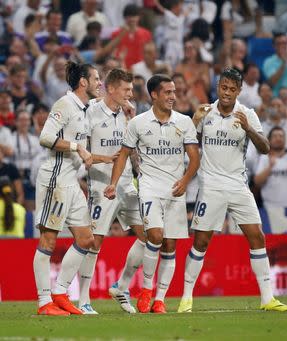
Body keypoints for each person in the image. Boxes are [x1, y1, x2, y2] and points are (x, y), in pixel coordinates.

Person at [177, 67, 287, 313]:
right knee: (201, 241)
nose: (227, 93)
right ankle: (186, 298)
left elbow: (265, 148)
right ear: (218, 86)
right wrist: (194, 121)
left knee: (257, 236)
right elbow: (185, 144)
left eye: (232, 89)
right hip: (210, 186)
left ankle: (267, 299)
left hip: (238, 185)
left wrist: (249, 129)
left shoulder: (247, 114)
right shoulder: (205, 113)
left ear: (239, 91)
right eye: (224, 87)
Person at [104, 74, 200, 314]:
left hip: (175, 190)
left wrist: (186, 180)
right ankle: (146, 290)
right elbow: (124, 154)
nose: (173, 97)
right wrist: (113, 183)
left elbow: (195, 158)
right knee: (154, 236)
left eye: (174, 92)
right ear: (154, 95)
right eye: (167, 92)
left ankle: (159, 299)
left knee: (170, 245)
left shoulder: (184, 121)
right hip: (149, 188)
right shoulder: (138, 123)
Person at [33, 61, 102, 316]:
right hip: (55, 179)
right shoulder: (64, 104)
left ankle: (60, 292)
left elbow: (106, 102)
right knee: (48, 240)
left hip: (72, 183)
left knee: (86, 239)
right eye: (96, 79)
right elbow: (45, 137)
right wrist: (77, 147)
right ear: (83, 82)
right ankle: (44, 302)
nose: (99, 83)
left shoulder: (83, 108)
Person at [77, 69, 146, 315]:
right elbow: (80, 152)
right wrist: (102, 160)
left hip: (127, 184)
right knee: (94, 242)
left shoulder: (129, 113)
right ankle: (83, 299)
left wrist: (132, 119)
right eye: (127, 89)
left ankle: (121, 286)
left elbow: (131, 149)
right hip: (100, 185)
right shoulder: (91, 112)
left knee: (149, 237)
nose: (131, 94)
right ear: (112, 88)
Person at [254, 126, 287, 208]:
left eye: (281, 136)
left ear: (285, 139)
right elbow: (257, 182)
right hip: (271, 207)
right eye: (275, 136)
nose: (278, 138)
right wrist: (270, 167)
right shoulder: (264, 157)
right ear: (269, 139)